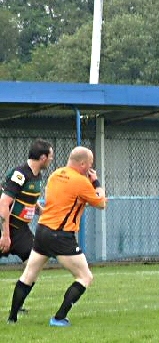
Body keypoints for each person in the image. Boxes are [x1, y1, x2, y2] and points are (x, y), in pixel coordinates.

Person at [7, 146, 107, 326]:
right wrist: (96, 182)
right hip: (61, 235)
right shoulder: (81, 182)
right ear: (83, 164)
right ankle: (59, 318)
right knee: (85, 277)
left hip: (42, 231)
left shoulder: (55, 175)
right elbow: (101, 203)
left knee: (29, 274)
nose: (91, 167)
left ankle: (12, 318)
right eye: (90, 164)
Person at [0, 139, 54, 262]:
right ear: (43, 158)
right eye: (51, 157)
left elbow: (30, 201)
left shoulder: (37, 176)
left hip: (20, 230)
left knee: (35, 260)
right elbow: (3, 203)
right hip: (6, 228)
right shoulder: (20, 174)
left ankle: (23, 282)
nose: (52, 160)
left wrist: (46, 212)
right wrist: (5, 235)